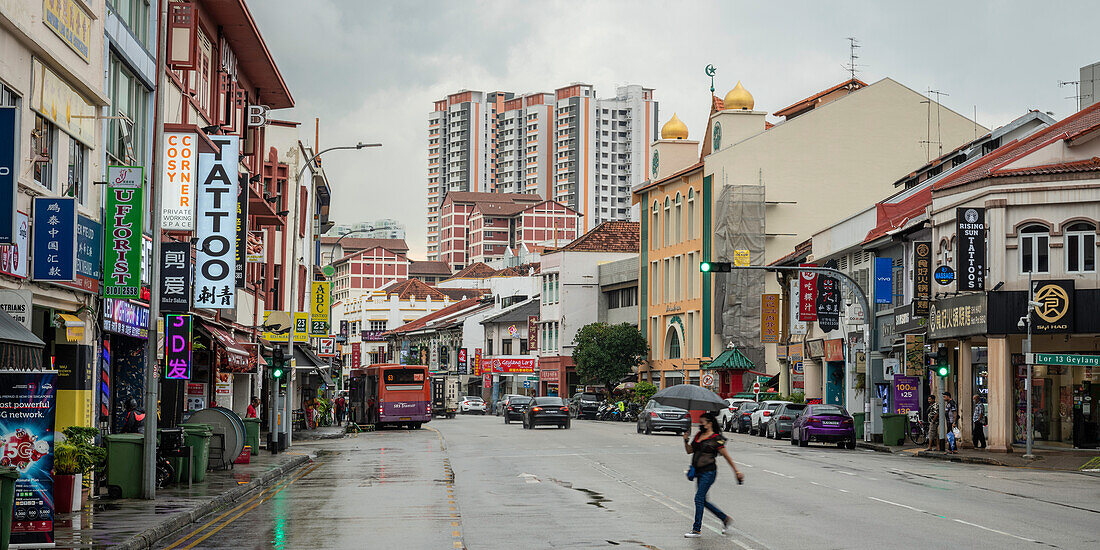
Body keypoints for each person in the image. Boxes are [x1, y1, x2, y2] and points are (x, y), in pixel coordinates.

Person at [681, 411, 743, 538]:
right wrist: (685, 441)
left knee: (698, 498)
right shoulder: (698, 435)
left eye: (702, 422)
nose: (700, 424)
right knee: (702, 500)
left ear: (709, 424)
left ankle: (696, 529)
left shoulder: (715, 438)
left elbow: (727, 457)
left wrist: (736, 471)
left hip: (709, 472)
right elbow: (689, 451)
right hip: (699, 472)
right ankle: (724, 518)